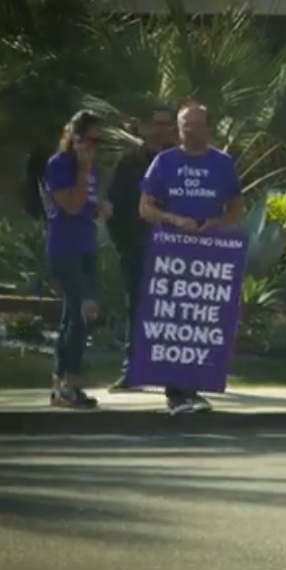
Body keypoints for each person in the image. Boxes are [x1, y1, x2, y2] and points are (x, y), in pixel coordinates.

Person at [138, 102, 243, 415]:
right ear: (178, 129)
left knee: (203, 318)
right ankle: (178, 392)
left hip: (211, 254)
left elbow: (235, 207)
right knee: (175, 319)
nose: (191, 131)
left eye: (197, 125)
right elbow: (145, 207)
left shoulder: (222, 163)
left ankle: (194, 387)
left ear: (209, 127)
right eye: (186, 126)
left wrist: (219, 224)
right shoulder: (164, 161)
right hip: (171, 252)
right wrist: (172, 219)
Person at [41, 110, 111, 409]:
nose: (95, 147)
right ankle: (66, 384)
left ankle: (65, 385)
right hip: (64, 248)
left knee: (82, 315)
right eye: (90, 140)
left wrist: (100, 208)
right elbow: (69, 206)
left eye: (99, 141)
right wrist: (82, 170)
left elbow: (84, 206)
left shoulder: (91, 168)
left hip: (86, 245)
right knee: (81, 312)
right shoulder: (59, 165)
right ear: (75, 137)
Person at [107, 105, 177, 392]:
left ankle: (178, 376)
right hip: (138, 246)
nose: (163, 130)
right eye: (157, 124)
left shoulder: (181, 162)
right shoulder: (129, 163)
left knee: (175, 311)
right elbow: (115, 205)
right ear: (144, 128)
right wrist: (125, 244)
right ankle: (133, 370)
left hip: (177, 250)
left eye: (168, 124)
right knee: (137, 307)